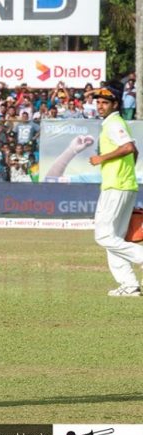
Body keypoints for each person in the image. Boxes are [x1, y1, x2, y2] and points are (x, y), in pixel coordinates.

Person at [88, 81, 143, 296]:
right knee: (115, 239)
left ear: (115, 104)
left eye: (104, 102)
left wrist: (102, 158)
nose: (100, 106)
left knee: (103, 236)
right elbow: (134, 151)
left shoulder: (113, 122)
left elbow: (129, 147)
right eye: (98, 102)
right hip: (124, 184)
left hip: (116, 186)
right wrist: (125, 168)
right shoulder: (113, 122)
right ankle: (129, 285)